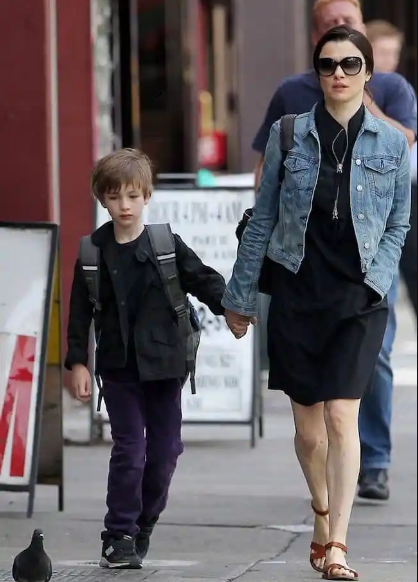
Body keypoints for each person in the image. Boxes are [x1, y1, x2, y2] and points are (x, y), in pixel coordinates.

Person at [224, 25, 411, 581]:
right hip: (298, 291)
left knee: (340, 415)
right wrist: (240, 296)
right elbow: (261, 220)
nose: (338, 74)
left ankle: (338, 545)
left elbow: (400, 221)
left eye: (350, 65)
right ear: (318, 72)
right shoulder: (288, 136)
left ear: (367, 74)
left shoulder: (392, 143)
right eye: (328, 65)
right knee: (308, 433)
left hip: (359, 296)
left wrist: (378, 279)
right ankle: (321, 512)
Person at [252, 0, 417, 503]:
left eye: (350, 51)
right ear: (314, 41)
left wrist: (360, 96)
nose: (338, 68)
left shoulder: (390, 88)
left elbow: (403, 144)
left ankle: (375, 462)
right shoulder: (291, 94)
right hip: (303, 266)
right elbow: (267, 169)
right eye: (329, 37)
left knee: (376, 359)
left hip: (367, 259)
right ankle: (326, 490)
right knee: (311, 419)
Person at [65, 148, 226, 569]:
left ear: (147, 197)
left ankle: (144, 521)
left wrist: (235, 308)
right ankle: (117, 535)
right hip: (118, 368)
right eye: (115, 197)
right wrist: (77, 361)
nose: (124, 206)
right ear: (102, 199)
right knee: (130, 450)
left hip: (164, 365)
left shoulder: (164, 245)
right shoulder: (92, 252)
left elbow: (203, 278)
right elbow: (79, 313)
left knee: (166, 451)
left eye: (133, 196)